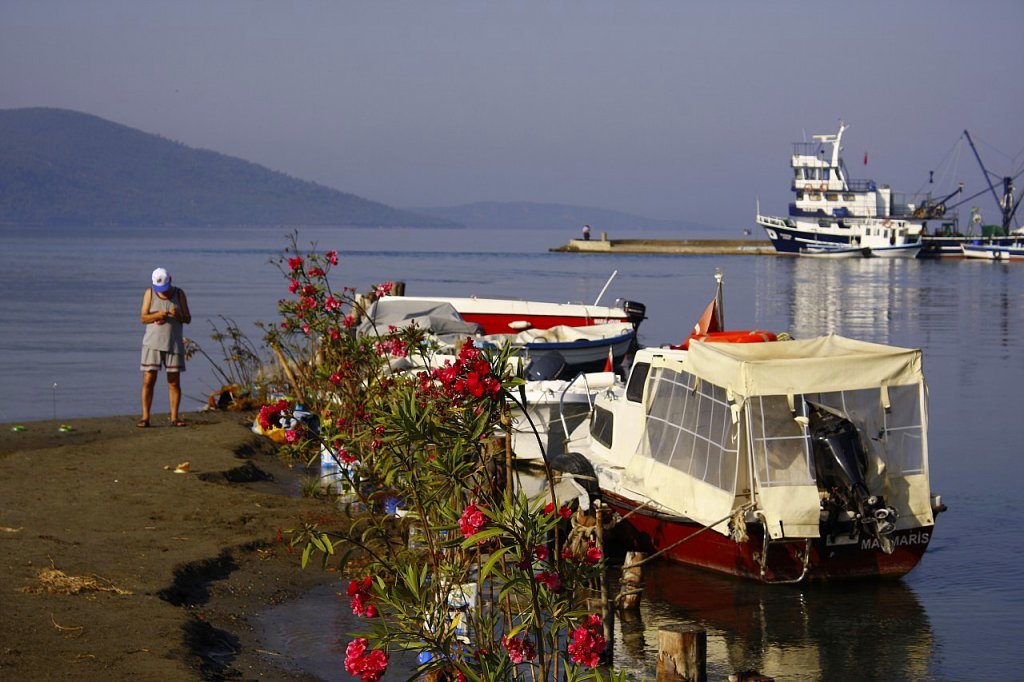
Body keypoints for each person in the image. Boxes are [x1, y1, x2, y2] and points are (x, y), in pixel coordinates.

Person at [138, 267, 191, 427]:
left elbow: (187, 318)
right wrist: (157, 315)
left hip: (173, 343)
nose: (163, 291)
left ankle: (174, 417)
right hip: (152, 344)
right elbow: (143, 318)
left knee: (174, 381)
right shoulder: (149, 293)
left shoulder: (179, 294)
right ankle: (145, 417)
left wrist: (178, 315)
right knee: (149, 379)